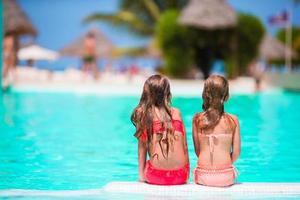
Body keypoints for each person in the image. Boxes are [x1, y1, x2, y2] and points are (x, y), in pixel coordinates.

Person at [131, 74, 189, 185]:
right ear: (167, 93)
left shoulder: (143, 114)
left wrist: (141, 176)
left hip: (156, 176)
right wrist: (186, 174)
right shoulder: (177, 113)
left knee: (150, 163)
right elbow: (185, 146)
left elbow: (142, 148)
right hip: (180, 176)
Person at [192, 75, 241, 187]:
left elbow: (198, 152)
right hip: (225, 176)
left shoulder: (197, 119)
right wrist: (225, 164)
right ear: (227, 96)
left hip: (203, 175)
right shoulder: (233, 120)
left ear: (204, 95)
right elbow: (236, 153)